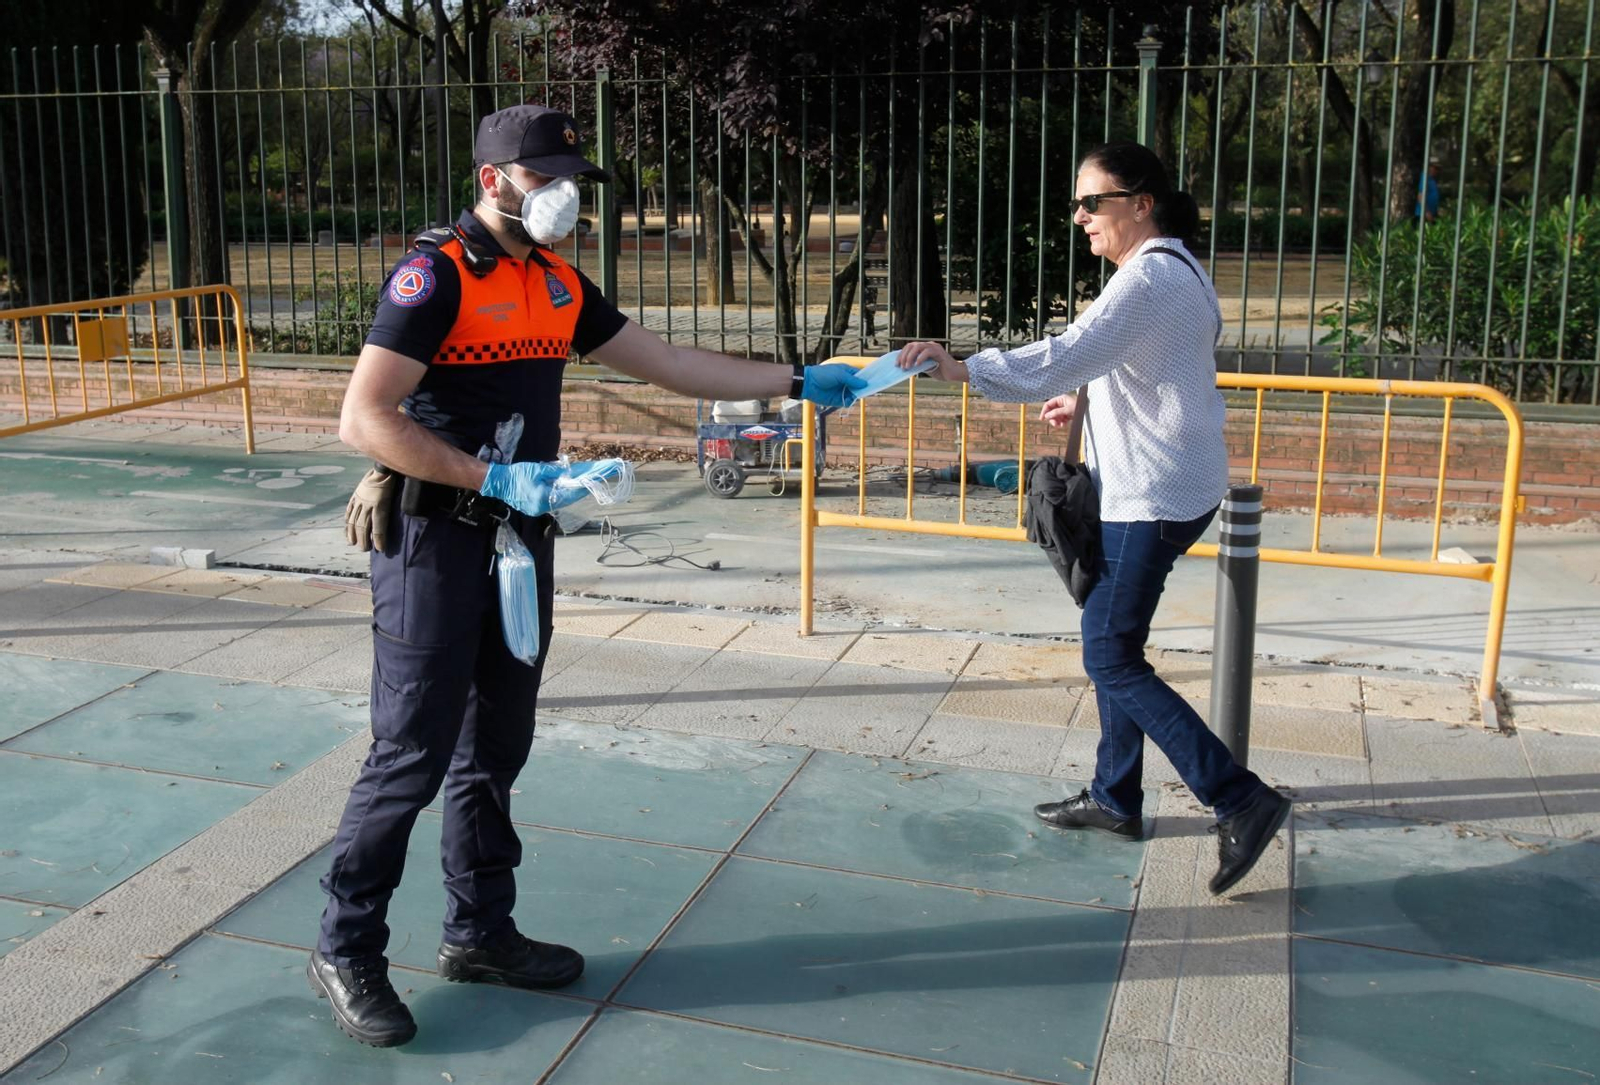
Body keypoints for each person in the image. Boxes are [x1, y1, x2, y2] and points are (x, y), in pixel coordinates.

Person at [314, 102, 865, 1048]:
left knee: (497, 746)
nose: (565, 194)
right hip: (437, 541)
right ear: (494, 180)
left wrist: (796, 379)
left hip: (522, 542)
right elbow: (365, 417)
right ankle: (347, 942)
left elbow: (670, 362)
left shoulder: (557, 282)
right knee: (409, 750)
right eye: (545, 176)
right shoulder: (433, 275)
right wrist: (494, 474)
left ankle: (479, 931)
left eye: (574, 177)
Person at [898, 140, 1290, 897]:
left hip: (1152, 495)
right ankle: (1116, 796)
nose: (1080, 217)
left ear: (1140, 203)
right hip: (1172, 482)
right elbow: (1154, 363)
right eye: (1077, 203)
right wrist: (1089, 401)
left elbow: (1068, 350)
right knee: (1115, 639)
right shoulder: (1176, 266)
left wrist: (962, 367)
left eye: (1093, 202)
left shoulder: (1146, 279)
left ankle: (1239, 797)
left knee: (1109, 654)